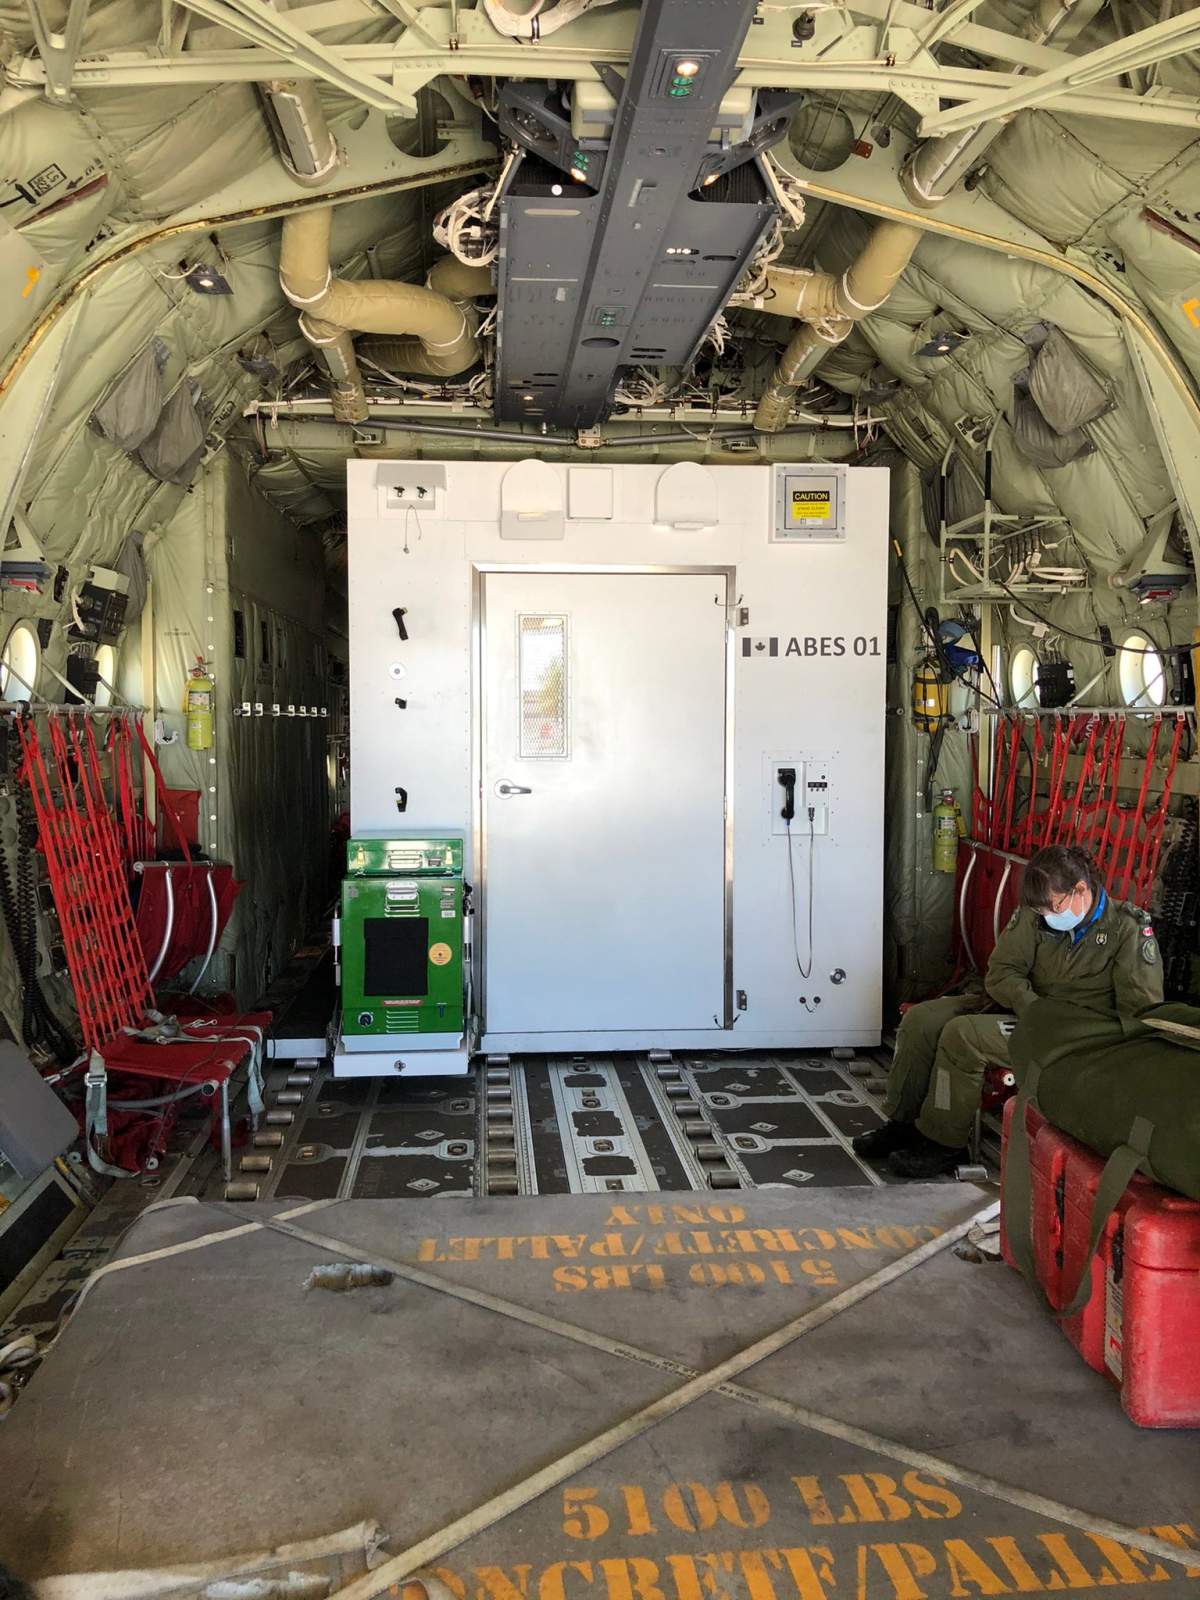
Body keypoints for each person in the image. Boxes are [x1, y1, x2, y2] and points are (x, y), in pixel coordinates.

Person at [853, 842, 1164, 1179]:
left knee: (964, 1036)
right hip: (1026, 1009)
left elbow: (1141, 1014)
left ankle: (942, 1141)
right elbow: (1001, 972)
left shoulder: (1127, 929)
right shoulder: (1039, 913)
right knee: (921, 1020)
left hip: (1074, 1033)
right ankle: (903, 1124)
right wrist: (1029, 1003)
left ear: (1081, 890)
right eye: (1041, 910)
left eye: (1054, 907)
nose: (1047, 916)